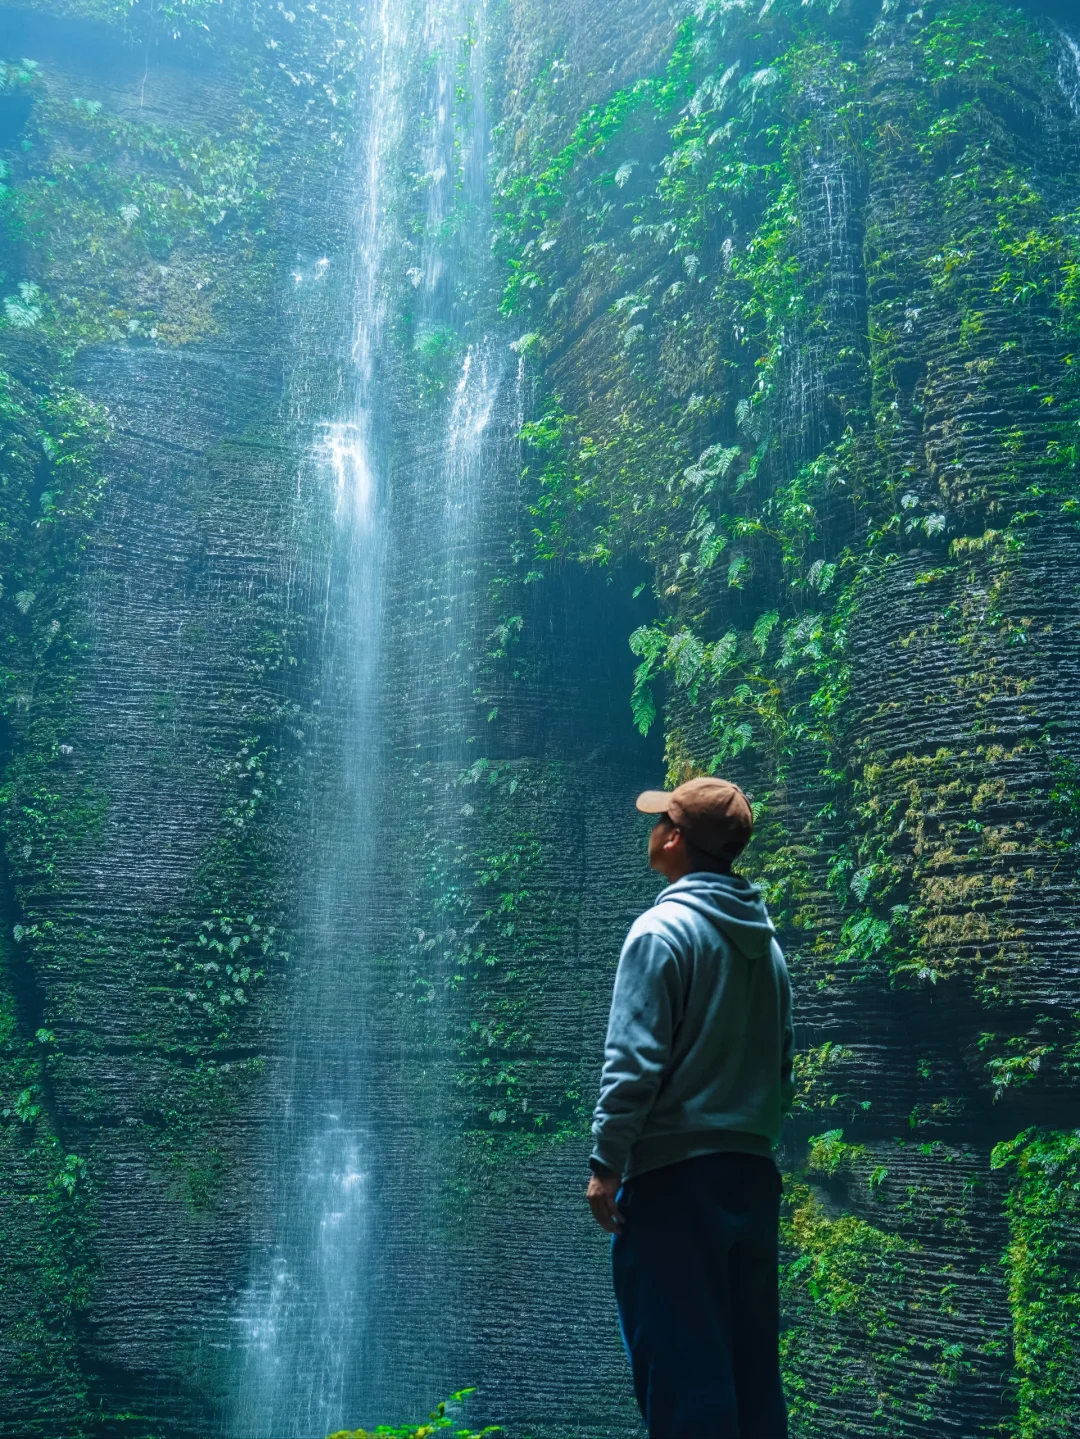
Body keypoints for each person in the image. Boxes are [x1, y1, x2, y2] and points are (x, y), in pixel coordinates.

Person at [585, 776, 793, 1439]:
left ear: (674, 837)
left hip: (675, 1185)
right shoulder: (768, 948)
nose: (651, 830)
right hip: (751, 1179)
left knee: (682, 1384)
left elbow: (633, 1064)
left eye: (660, 821)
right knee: (753, 1380)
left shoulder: (660, 931)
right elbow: (781, 1066)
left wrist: (606, 1163)